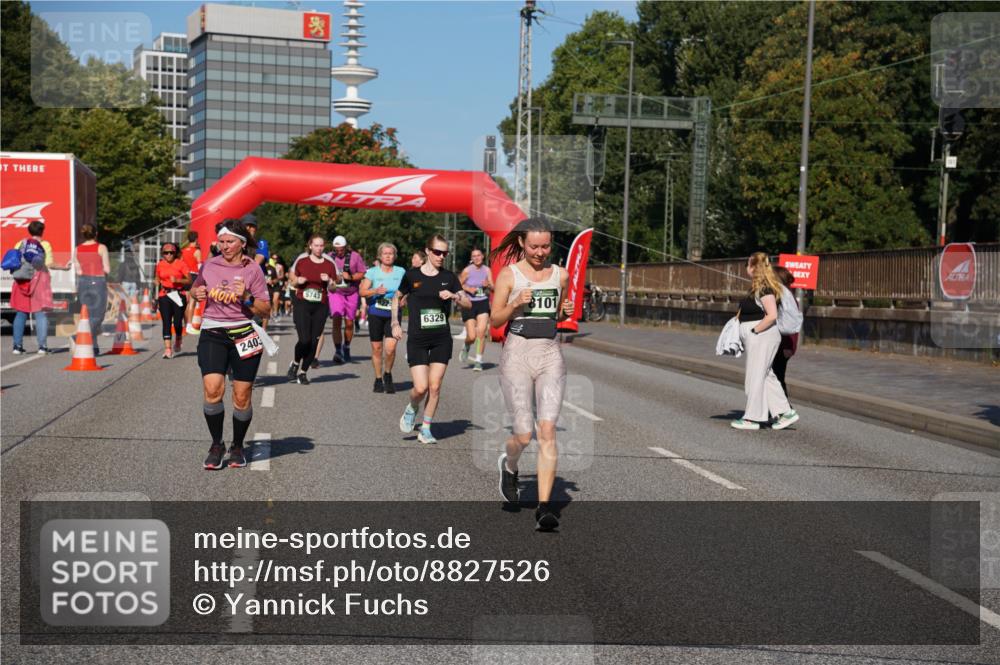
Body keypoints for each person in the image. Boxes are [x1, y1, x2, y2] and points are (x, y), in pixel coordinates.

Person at [489, 218, 574, 531]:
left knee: (548, 431)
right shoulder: (508, 275)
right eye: (534, 246)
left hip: (550, 354)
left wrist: (565, 310)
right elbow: (495, 320)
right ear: (522, 244)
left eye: (546, 246)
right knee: (524, 434)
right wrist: (514, 304)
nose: (540, 252)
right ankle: (509, 465)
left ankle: (545, 507)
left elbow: (562, 313)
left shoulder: (561, 274)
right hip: (517, 355)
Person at [190, 219, 271, 470]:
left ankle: (237, 445)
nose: (224, 246)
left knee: (241, 395)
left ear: (242, 244)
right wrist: (197, 294)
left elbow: (266, 310)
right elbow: (195, 288)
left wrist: (246, 297)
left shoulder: (252, 270)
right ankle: (216, 444)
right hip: (213, 332)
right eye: (222, 241)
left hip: (245, 333)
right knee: (213, 389)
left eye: (230, 242)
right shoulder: (210, 265)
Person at [391, 234, 471, 444]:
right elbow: (396, 297)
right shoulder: (412, 276)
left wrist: (454, 296)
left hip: (441, 338)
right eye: (437, 252)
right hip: (417, 338)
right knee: (420, 387)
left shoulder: (449, 277)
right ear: (427, 251)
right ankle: (412, 407)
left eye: (445, 253)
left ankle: (425, 428)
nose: (441, 256)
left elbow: (468, 303)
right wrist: (395, 322)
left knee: (435, 387)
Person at [731, 252, 799, 431]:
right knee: (766, 375)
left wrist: (754, 331)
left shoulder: (765, 288)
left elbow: (772, 315)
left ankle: (753, 418)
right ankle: (785, 412)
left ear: (754, 267)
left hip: (762, 337)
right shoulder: (759, 287)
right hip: (760, 337)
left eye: (748, 264)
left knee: (755, 377)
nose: (746, 268)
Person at [287, 235, 336, 385]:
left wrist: (329, 281)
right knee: (304, 340)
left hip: (320, 305)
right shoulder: (302, 262)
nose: (319, 248)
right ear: (310, 246)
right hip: (303, 302)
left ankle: (303, 372)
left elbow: (333, 288)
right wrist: (298, 281)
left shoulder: (329, 265)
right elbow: (292, 282)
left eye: (321, 246)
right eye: (316, 245)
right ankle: (295, 363)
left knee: (314, 341)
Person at [360, 242, 406, 393]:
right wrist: (375, 291)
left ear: (394, 256)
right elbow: (362, 292)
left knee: (390, 349)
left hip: (393, 314)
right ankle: (378, 378)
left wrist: (406, 298)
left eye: (391, 253)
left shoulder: (401, 272)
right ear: (380, 256)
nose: (388, 256)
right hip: (376, 313)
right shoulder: (372, 272)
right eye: (385, 253)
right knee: (377, 348)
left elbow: (408, 289)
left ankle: (388, 374)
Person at [11, 228, 53, 355]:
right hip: (38, 282)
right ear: (42, 231)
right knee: (40, 314)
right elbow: (49, 263)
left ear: (29, 231)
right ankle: (42, 347)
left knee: (21, 313)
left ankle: (17, 347)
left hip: (21, 281)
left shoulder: (20, 243)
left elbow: (15, 260)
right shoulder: (45, 245)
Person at [326, 235, 366, 363]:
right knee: (336, 319)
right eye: (336, 249)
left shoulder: (355, 256)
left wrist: (351, 277)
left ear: (346, 247)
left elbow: (362, 272)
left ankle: (346, 346)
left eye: (341, 249)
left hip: (351, 293)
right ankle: (338, 350)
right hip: (336, 292)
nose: (339, 252)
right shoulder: (329, 257)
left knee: (349, 323)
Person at [75, 223, 111, 354]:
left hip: (83, 281)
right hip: (98, 281)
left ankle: (94, 346)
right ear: (96, 234)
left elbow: (78, 271)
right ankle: (78, 337)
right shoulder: (101, 247)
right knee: (98, 315)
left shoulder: (77, 249)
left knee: (88, 314)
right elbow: (107, 269)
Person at [154, 242, 191, 358]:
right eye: (166, 253)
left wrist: (178, 281)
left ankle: (178, 338)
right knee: (166, 322)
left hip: (178, 294)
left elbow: (189, 280)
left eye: (171, 252)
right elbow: (157, 278)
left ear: (175, 253)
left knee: (177, 323)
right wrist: (156, 282)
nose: (169, 255)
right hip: (164, 295)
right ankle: (168, 349)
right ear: (162, 253)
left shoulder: (181, 264)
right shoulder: (160, 264)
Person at [459, 247, 494, 371]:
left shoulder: (487, 270)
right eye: (474, 256)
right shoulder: (467, 271)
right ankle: (467, 345)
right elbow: (458, 285)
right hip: (469, 304)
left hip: (483, 302)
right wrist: (468, 289)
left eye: (478, 255)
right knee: (472, 336)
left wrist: (488, 285)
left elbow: (493, 287)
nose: (476, 258)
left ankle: (478, 361)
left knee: (481, 332)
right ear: (471, 258)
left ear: (483, 256)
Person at [771, 265, 799, 401]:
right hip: (781, 345)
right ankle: (778, 409)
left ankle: (784, 409)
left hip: (783, 346)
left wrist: (788, 347)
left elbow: (791, 326)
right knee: (775, 376)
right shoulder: (784, 295)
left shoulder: (785, 298)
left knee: (777, 377)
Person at [181, 231, 203, 325]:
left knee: (186, 301)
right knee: (192, 301)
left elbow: (181, 264)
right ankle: (189, 323)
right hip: (194, 276)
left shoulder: (183, 251)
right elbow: (200, 266)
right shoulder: (197, 251)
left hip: (185, 276)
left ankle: (186, 323)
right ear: (196, 239)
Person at [271, 256, 286, 321]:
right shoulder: (268, 266)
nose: (274, 259)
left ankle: (276, 313)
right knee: (270, 300)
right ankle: (271, 313)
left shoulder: (280, 266)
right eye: (273, 258)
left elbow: (282, 275)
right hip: (269, 284)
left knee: (275, 299)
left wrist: (277, 279)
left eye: (276, 258)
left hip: (277, 284)